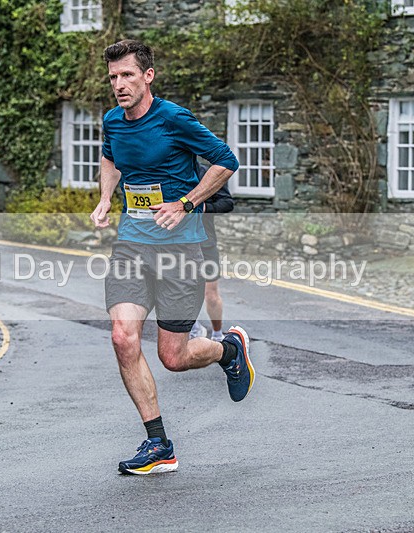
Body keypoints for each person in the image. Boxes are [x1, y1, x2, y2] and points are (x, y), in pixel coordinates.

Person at [90, 39, 255, 475]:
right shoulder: (113, 121)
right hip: (131, 245)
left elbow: (225, 161)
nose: (119, 84)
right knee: (123, 337)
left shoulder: (174, 118)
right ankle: (158, 444)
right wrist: (106, 198)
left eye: (127, 75)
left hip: (181, 251)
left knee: (173, 357)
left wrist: (185, 202)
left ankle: (228, 350)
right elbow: (110, 159)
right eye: (112, 77)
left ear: (147, 77)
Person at [190, 164, 234, 342]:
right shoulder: (169, 172)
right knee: (184, 291)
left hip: (205, 242)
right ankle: (194, 328)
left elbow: (227, 202)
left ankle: (217, 334)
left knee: (211, 294)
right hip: (178, 243)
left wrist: (204, 208)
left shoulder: (208, 173)